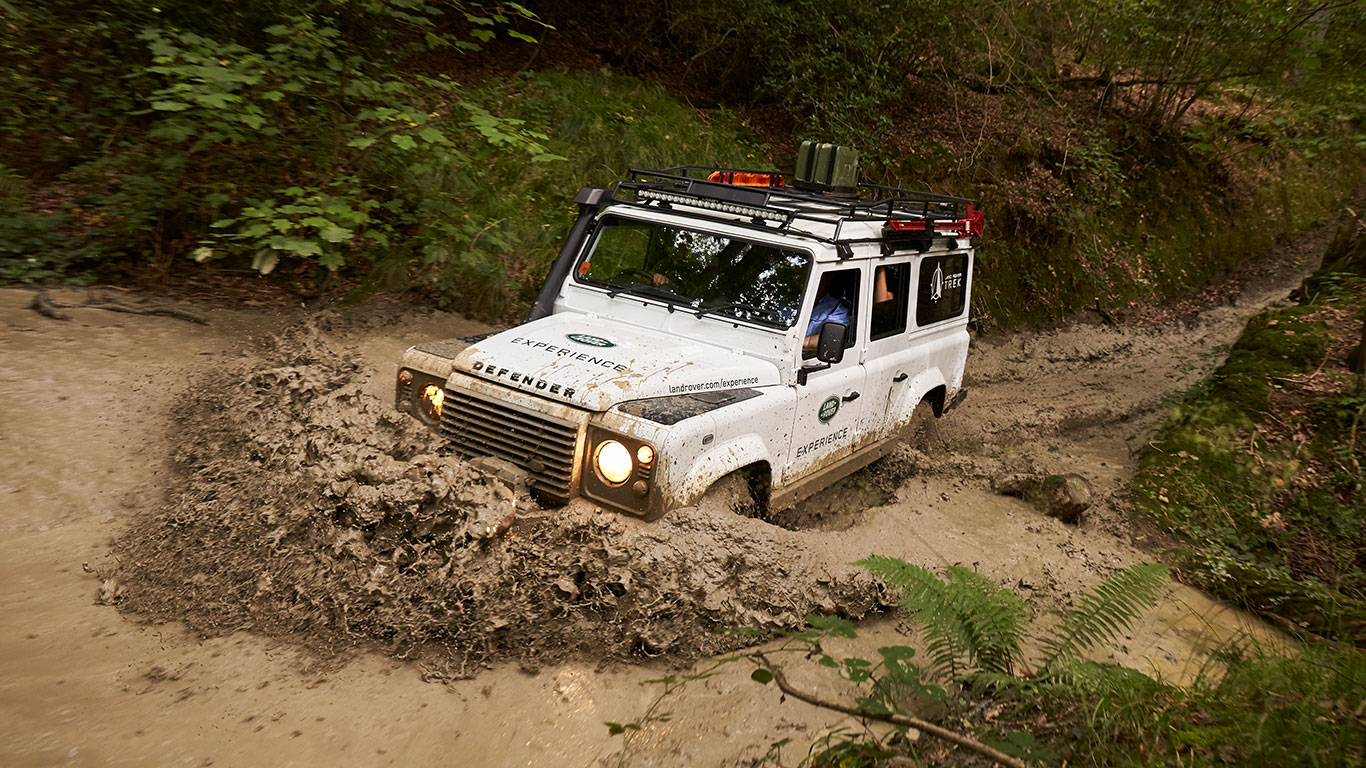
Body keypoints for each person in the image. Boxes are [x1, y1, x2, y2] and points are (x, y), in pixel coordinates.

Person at [803, 272, 850, 354]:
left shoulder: (838, 309)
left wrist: (802, 343)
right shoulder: (790, 301)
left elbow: (831, 338)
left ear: (827, 279)